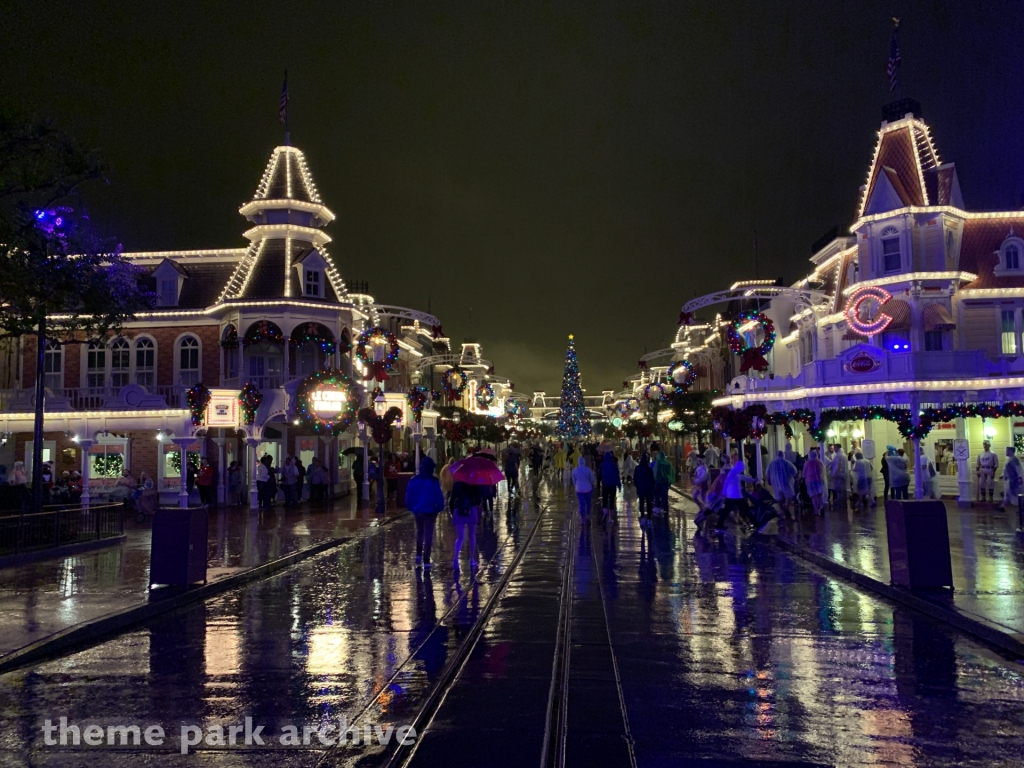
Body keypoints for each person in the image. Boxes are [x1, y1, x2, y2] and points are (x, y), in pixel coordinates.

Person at [406, 456, 445, 568]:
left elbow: (409, 496)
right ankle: (426, 559)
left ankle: (419, 554)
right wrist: (439, 508)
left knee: (420, 531)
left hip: (418, 510)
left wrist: (412, 507)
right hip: (430, 510)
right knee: (428, 534)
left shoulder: (413, 480)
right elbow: (439, 496)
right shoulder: (434, 481)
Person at [450, 480, 482, 570]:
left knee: (460, 537)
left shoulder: (456, 484)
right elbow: (478, 500)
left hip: (458, 511)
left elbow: (452, 500)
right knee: (472, 535)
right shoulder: (474, 483)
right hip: (471, 511)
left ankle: (455, 558)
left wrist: (453, 512)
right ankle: (472, 559)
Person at [802, 449, 828, 515]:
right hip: (819, 480)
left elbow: (804, 473)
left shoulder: (807, 463)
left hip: (810, 481)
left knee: (813, 496)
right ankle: (821, 507)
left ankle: (816, 510)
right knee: (819, 495)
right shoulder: (820, 462)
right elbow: (823, 471)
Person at [633, 453, 655, 525]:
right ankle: (649, 518)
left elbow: (635, 478)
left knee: (641, 503)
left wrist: (637, 485)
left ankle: (642, 516)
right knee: (649, 503)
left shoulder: (637, 468)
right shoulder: (649, 469)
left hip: (641, 488)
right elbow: (652, 479)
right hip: (648, 489)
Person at [599, 451, 622, 521]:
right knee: (612, 500)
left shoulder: (602, 465)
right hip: (612, 485)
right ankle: (611, 517)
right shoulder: (614, 465)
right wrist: (619, 485)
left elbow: (599, 474)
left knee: (605, 499)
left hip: (605, 485)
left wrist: (600, 480)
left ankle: (605, 512)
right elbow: (617, 475)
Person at [999, 446, 1023, 511]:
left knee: (1013, 493)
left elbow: (1018, 469)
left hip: (1014, 480)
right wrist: (1003, 475)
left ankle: (1003, 506)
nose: (1006, 452)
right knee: (1009, 493)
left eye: (1007, 451)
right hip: (1010, 479)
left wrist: (1020, 478)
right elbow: (1006, 470)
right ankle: (1002, 507)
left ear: (1011, 451)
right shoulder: (1009, 460)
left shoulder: (1014, 460)